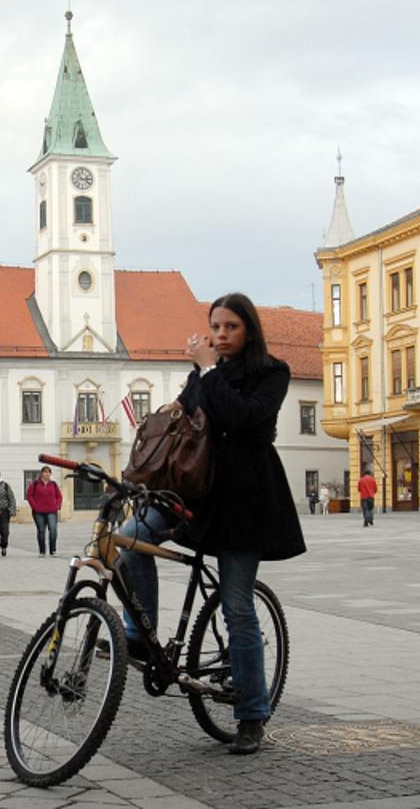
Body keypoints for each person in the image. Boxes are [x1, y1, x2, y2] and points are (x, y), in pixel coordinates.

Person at [116, 292, 305, 756]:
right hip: (195, 494)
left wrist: (207, 369)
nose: (220, 336)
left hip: (244, 501)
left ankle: (251, 716)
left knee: (237, 608)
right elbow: (184, 421)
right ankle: (140, 636)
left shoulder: (271, 374)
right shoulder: (202, 375)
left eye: (230, 328)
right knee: (132, 537)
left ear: (248, 330)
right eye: (215, 327)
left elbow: (241, 418)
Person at [25, 466, 63, 556]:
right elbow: (29, 496)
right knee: (41, 531)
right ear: (41, 473)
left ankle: (53, 550)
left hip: (52, 511)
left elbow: (59, 496)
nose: (47, 474)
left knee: (53, 530)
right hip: (39, 512)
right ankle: (42, 551)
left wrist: (57, 505)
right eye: (45, 472)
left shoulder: (53, 484)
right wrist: (34, 506)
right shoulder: (35, 484)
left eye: (49, 472)